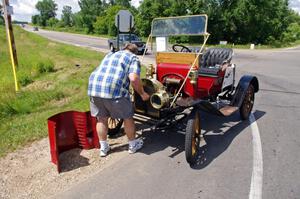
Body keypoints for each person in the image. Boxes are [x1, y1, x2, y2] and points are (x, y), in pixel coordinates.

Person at [88, 43, 150, 157]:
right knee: (127, 117)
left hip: (94, 88)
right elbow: (134, 78)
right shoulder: (133, 58)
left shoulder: (110, 54)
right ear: (135, 52)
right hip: (113, 90)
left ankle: (103, 148)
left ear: (124, 49)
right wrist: (142, 94)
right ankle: (133, 145)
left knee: (101, 118)